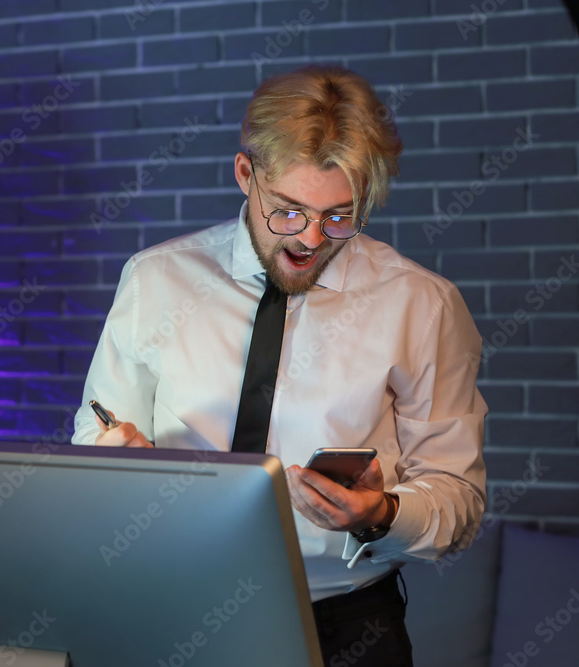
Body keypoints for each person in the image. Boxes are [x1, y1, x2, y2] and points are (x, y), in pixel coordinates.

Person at [72, 65, 487, 665]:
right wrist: (112, 464)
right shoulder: (156, 280)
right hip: (166, 612)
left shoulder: (422, 305)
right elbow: (93, 437)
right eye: (289, 210)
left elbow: (458, 501)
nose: (311, 239)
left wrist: (384, 513)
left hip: (345, 629)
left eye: (341, 215)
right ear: (246, 174)